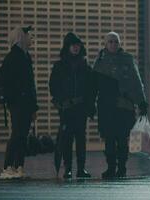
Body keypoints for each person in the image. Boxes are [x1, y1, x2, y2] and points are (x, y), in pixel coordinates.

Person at [91, 32, 147, 179]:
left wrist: (142, 101)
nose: (113, 44)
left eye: (116, 42)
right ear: (105, 43)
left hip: (124, 105)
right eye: (110, 42)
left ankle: (121, 167)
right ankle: (111, 167)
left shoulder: (127, 59)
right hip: (106, 106)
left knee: (122, 138)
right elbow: (93, 86)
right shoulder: (99, 61)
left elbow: (136, 82)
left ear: (119, 43)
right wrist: (90, 105)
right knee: (109, 139)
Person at [49, 32, 94, 179]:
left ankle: (81, 168)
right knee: (66, 139)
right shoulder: (59, 66)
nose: (76, 48)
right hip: (66, 108)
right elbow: (53, 86)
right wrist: (61, 101)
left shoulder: (85, 66)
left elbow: (91, 89)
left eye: (78, 45)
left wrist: (90, 106)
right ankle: (68, 168)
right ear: (67, 47)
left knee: (81, 138)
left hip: (81, 108)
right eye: (73, 45)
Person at [0, 26, 39, 179]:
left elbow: (30, 85)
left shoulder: (25, 56)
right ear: (22, 37)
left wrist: (33, 106)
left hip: (25, 103)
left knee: (22, 135)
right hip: (17, 103)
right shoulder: (13, 57)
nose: (32, 38)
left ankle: (18, 165)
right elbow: (11, 83)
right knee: (17, 134)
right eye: (30, 36)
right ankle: (7, 166)